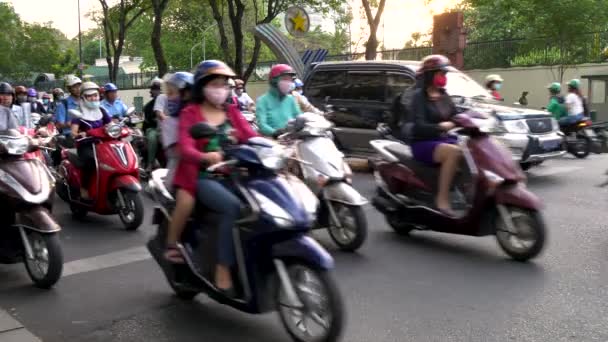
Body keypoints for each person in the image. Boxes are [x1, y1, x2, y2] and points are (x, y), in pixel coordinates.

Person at [167, 60, 256, 295]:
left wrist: (275, 149)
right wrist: (205, 156)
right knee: (232, 207)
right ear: (202, 86)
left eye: (224, 84)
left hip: (234, 174)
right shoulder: (190, 113)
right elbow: (185, 147)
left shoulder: (232, 112)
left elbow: (251, 136)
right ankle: (223, 267)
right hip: (203, 176)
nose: (220, 89)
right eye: (215, 84)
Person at [409, 55, 461, 215]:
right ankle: (442, 200)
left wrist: (474, 117)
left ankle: (462, 191)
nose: (443, 77)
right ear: (431, 75)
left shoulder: (444, 96)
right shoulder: (418, 97)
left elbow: (456, 116)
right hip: (422, 143)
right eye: (441, 73)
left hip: (443, 140)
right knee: (454, 152)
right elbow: (419, 126)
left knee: (472, 149)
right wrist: (440, 127)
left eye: (445, 74)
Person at [70, 82, 112, 200]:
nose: (93, 98)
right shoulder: (79, 113)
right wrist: (79, 134)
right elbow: (73, 132)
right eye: (90, 96)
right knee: (91, 161)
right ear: (83, 97)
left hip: (103, 143)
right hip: (86, 145)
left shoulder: (102, 111)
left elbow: (110, 125)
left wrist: (116, 128)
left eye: (95, 95)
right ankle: (84, 188)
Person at [153, 72, 194, 186]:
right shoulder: (164, 100)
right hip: (169, 135)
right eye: (169, 92)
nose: (170, 97)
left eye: (173, 92)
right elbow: (159, 113)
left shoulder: (197, 109)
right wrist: (167, 120)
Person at [255, 64, 301, 137]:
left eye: (290, 80)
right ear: (274, 80)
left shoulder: (291, 99)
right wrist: (275, 132)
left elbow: (300, 118)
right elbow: (262, 124)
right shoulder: (262, 100)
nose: (289, 83)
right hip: (272, 141)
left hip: (292, 138)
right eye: (285, 79)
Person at [53, 75, 82, 165]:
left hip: (85, 132)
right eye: (74, 87)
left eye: (79, 86)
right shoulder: (63, 104)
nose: (78, 89)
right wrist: (71, 123)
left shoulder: (86, 101)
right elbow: (59, 124)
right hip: (70, 135)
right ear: (69, 89)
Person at [142, 78, 163, 171]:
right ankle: (150, 163)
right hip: (154, 128)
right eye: (155, 89)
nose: (157, 91)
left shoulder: (170, 102)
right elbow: (150, 121)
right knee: (152, 137)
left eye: (158, 88)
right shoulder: (148, 106)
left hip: (168, 127)